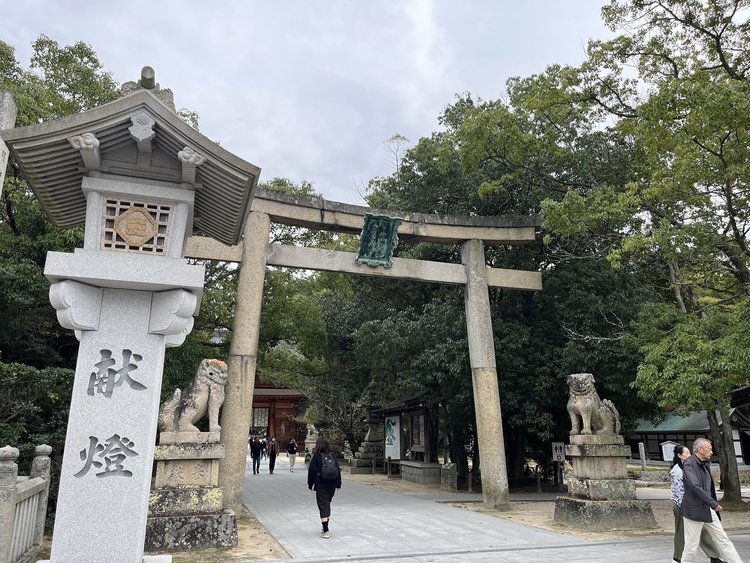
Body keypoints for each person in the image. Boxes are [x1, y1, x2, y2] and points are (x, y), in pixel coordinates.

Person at [681, 438, 743, 563]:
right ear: (700, 450)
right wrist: (713, 503)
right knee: (691, 546)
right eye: (709, 449)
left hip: (708, 508)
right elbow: (694, 486)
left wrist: (711, 504)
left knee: (723, 539)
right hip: (694, 510)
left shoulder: (704, 464)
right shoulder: (689, 463)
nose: (711, 452)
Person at [669, 444, 723, 563]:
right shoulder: (678, 471)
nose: (689, 455)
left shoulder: (689, 467)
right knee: (682, 532)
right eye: (686, 453)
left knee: (702, 529)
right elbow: (679, 492)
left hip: (693, 505)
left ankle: (714, 557)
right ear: (679, 455)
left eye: (689, 452)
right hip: (682, 506)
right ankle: (678, 557)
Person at [307, 436, 341, 539]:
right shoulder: (332, 455)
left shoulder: (317, 457)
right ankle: (325, 526)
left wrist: (310, 484)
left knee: (323, 506)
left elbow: (312, 472)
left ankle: (326, 530)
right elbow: (337, 470)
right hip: (332, 484)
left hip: (321, 484)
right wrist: (339, 483)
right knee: (327, 504)